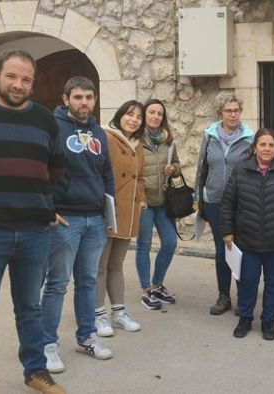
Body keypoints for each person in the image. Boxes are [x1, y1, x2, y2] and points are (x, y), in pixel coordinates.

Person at [0, 49, 67, 394]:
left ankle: (35, 371)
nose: (18, 84)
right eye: (11, 76)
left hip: (36, 231)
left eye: (26, 79)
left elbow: (54, 171)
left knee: (29, 307)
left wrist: (40, 204)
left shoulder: (46, 120)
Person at [41, 76, 115, 374]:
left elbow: (106, 173)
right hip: (65, 219)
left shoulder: (99, 132)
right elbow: (41, 170)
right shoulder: (53, 129)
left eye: (89, 97)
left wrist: (109, 214)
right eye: (78, 97)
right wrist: (48, 209)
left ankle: (86, 337)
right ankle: (47, 345)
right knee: (57, 284)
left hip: (95, 219)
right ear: (66, 99)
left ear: (95, 100)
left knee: (87, 282)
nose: (84, 102)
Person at [220, 128, 274, 340]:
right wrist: (227, 231)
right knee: (248, 281)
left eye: (271, 145)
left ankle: (268, 321)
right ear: (255, 147)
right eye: (263, 144)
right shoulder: (241, 171)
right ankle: (246, 319)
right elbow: (227, 203)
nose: (267, 148)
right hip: (247, 239)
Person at [194, 91, 254, 315]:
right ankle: (223, 297)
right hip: (214, 201)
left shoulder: (249, 137)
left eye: (236, 110)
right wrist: (197, 199)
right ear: (220, 113)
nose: (233, 114)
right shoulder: (209, 136)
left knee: (240, 248)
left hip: (241, 203)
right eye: (228, 111)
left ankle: (243, 297)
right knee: (222, 249)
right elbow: (202, 168)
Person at [94, 100, 146, 337]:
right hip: (108, 209)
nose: (134, 119)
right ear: (120, 114)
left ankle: (119, 312)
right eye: (129, 114)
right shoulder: (105, 136)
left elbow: (141, 177)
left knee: (116, 264)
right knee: (100, 266)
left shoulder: (139, 144)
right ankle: (97, 314)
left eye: (138, 116)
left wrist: (142, 199)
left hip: (128, 212)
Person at [135, 98, 180, 310]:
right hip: (144, 201)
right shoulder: (135, 139)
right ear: (144, 115)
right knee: (143, 246)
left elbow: (177, 166)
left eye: (159, 113)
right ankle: (146, 291)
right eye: (151, 112)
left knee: (170, 243)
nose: (155, 116)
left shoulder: (168, 141)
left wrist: (174, 170)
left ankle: (156, 284)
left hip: (163, 201)